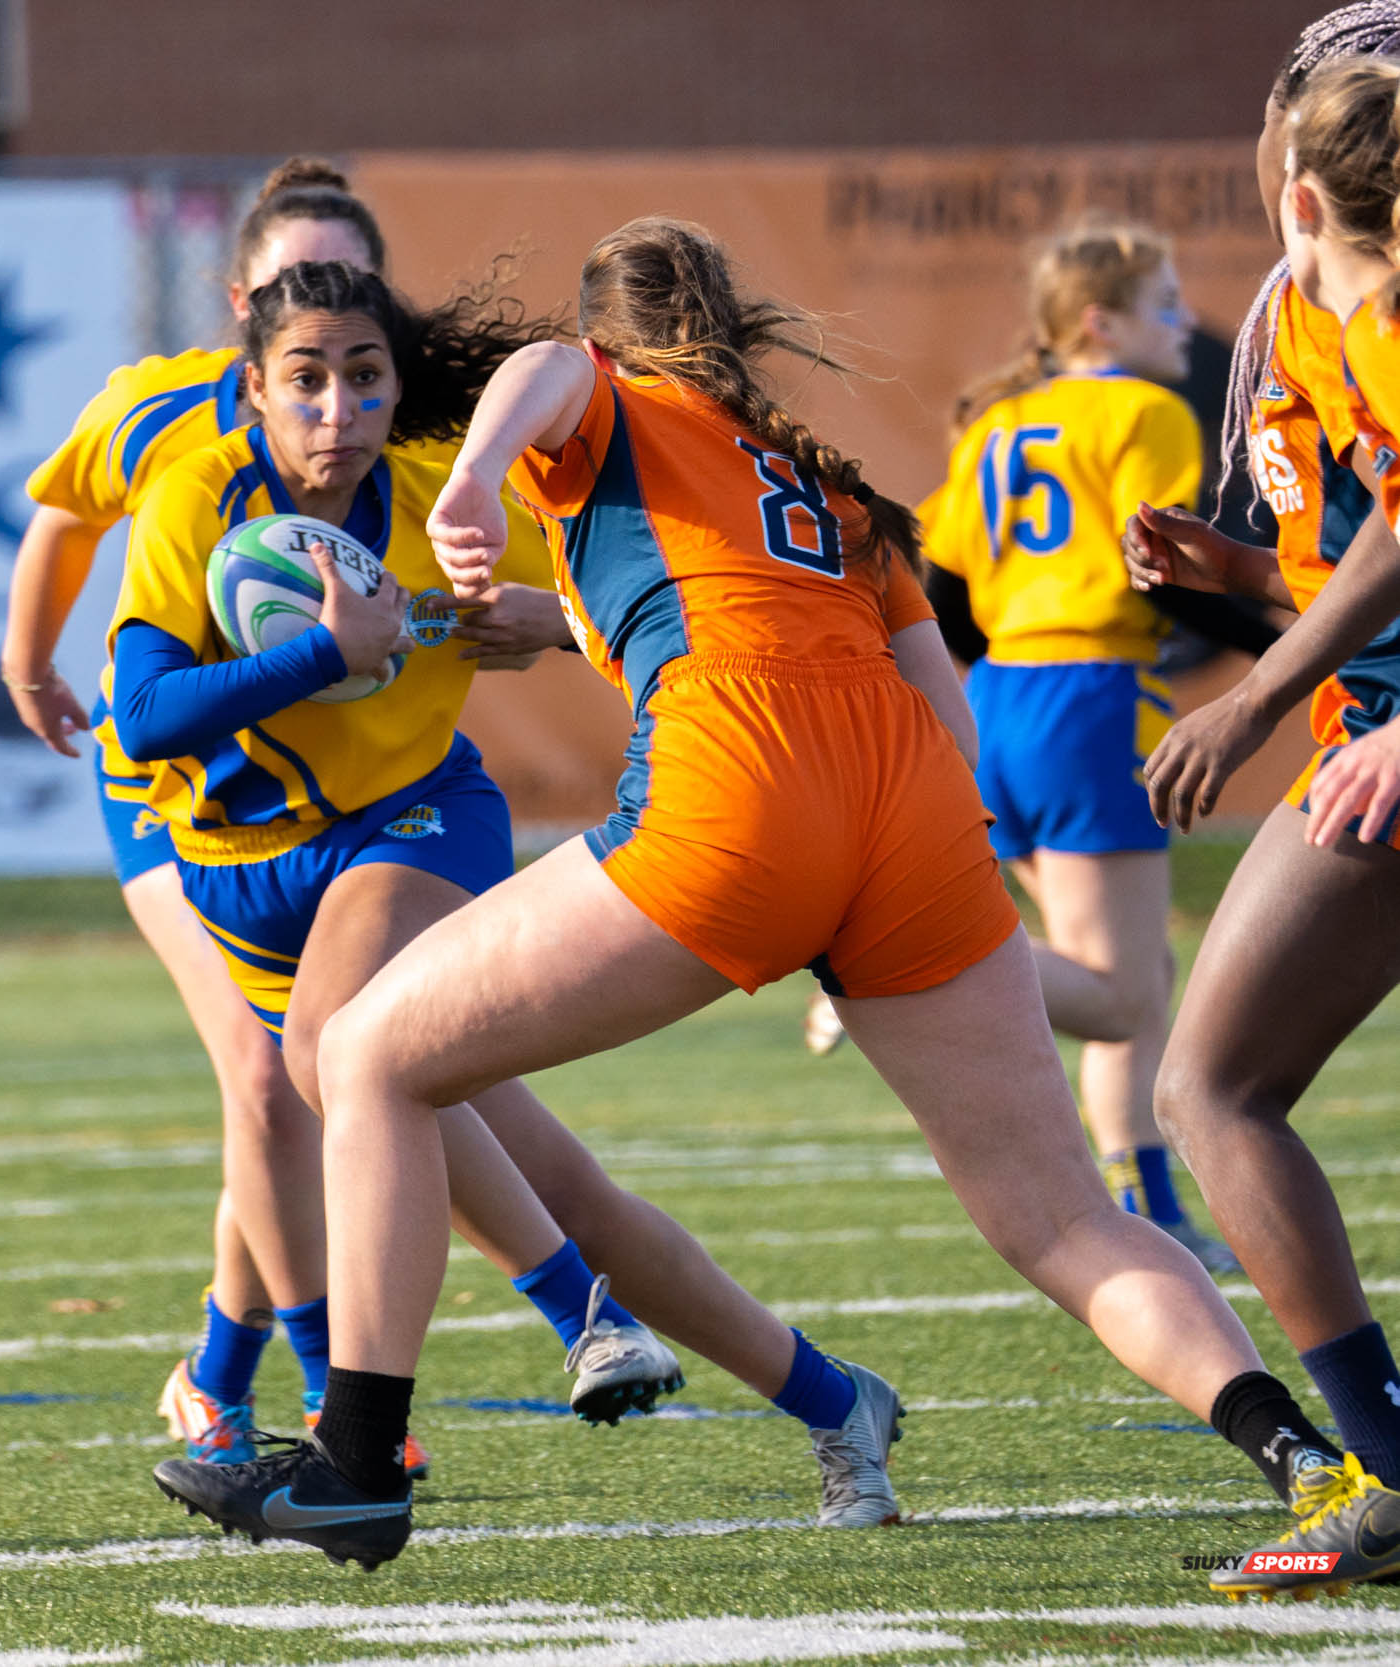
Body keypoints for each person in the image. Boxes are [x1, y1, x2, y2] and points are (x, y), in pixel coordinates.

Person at [151, 220, 1392, 1597]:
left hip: (744, 781)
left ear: (611, 333)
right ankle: (1318, 1464)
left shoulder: (592, 383)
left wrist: (480, 482)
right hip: (911, 814)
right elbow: (932, 709)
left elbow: (555, 379)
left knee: (367, 1052)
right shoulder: (827, 482)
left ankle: (358, 1465)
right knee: (1058, 1212)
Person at [129, 258, 911, 1541]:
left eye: (364, 376)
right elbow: (147, 712)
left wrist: (552, 619)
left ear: (398, 379)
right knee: (567, 1190)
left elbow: (648, 578)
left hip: (416, 822)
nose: (337, 407)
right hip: (244, 865)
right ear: (251, 383)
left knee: (340, 1050)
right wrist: (328, 652)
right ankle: (836, 1398)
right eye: (306, 380)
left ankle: (512, 1357)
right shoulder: (190, 492)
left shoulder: (451, 473)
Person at [5, 161, 558, 1468]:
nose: (328, 354)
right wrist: (28, 660)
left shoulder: (403, 436)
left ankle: (218, 1366)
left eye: (357, 289)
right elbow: (60, 515)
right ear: (240, 299)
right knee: (270, 1072)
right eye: (287, 287)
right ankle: (329, 1388)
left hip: (342, 800)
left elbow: (502, 592)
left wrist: (534, 622)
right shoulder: (161, 416)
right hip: (178, 782)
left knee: (325, 1068)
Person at [1120, 7, 1400, 1552]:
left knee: (1209, 1088)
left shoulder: (1371, 302)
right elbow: (1364, 557)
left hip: (1378, 733)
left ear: (1298, 163)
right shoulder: (1310, 308)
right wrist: (1242, 572)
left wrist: (1254, 699)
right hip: (1373, 728)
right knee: (1212, 1085)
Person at [911, 222, 1251, 1276]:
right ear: (1098, 319)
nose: (1182, 322)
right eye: (1162, 302)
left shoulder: (999, 421)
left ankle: (1146, 1197)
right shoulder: (1143, 409)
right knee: (1121, 990)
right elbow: (1161, 560)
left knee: (1135, 972)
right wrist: (1290, 645)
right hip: (1090, 692)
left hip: (998, 700)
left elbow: (948, 592)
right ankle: (900, 967)